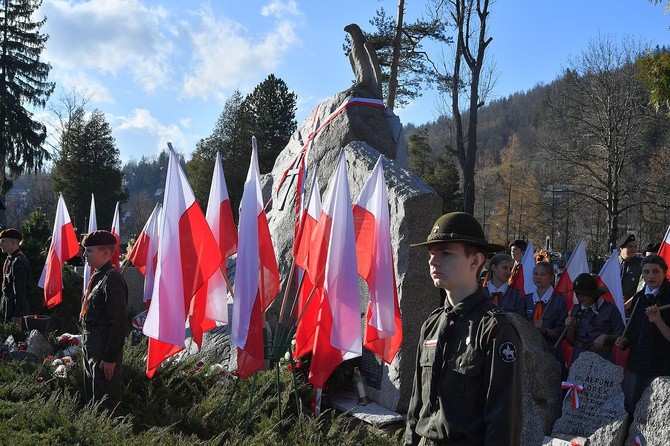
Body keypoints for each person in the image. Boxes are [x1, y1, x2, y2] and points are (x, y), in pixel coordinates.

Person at [405, 212, 522, 446]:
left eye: (445, 253)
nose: (433, 261)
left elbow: (503, 421)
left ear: (475, 261)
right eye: (431, 253)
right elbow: (416, 406)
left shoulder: (495, 329)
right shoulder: (432, 325)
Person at [80, 230, 128, 412]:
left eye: (89, 251)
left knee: (104, 399)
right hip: (92, 342)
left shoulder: (111, 279)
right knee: (92, 393)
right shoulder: (99, 276)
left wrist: (110, 357)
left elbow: (118, 323)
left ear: (106, 253)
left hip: (102, 344)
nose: (84, 255)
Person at [615, 254, 670, 414]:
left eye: (655, 272)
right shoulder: (639, 298)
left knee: (655, 412)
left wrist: (658, 320)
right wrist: (623, 341)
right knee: (630, 407)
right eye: (646, 272)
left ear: (664, 272)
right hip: (636, 364)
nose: (650, 276)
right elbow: (632, 332)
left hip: (661, 367)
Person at [565, 273, 624, 364]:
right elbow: (571, 342)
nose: (579, 297)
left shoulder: (610, 309)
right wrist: (570, 328)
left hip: (601, 358)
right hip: (579, 358)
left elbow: (622, 336)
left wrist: (605, 337)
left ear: (593, 294)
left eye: (583, 293)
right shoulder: (576, 309)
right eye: (577, 293)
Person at [526, 261, 568, 378]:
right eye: (535, 274)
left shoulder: (559, 300)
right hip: (531, 353)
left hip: (551, 352)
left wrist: (546, 330)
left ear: (550, 278)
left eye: (543, 274)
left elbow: (562, 330)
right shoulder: (527, 299)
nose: (538, 277)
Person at [0, 229, 30, 326]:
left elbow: (20, 291)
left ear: (13, 242)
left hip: (13, 308)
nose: (1, 244)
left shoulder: (18, 262)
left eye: (3, 241)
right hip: (7, 305)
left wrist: (18, 315)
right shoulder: (10, 259)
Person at [484, 253, 527, 318]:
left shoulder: (516, 295)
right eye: (505, 268)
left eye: (510, 269)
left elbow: (521, 322)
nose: (508, 272)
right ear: (494, 267)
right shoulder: (480, 293)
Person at [618, 233, 642, 304]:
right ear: (621, 248)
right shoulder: (613, 263)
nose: (633, 249)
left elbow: (640, 290)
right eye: (630, 246)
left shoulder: (641, 265)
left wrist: (627, 304)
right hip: (612, 304)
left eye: (635, 246)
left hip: (631, 307)